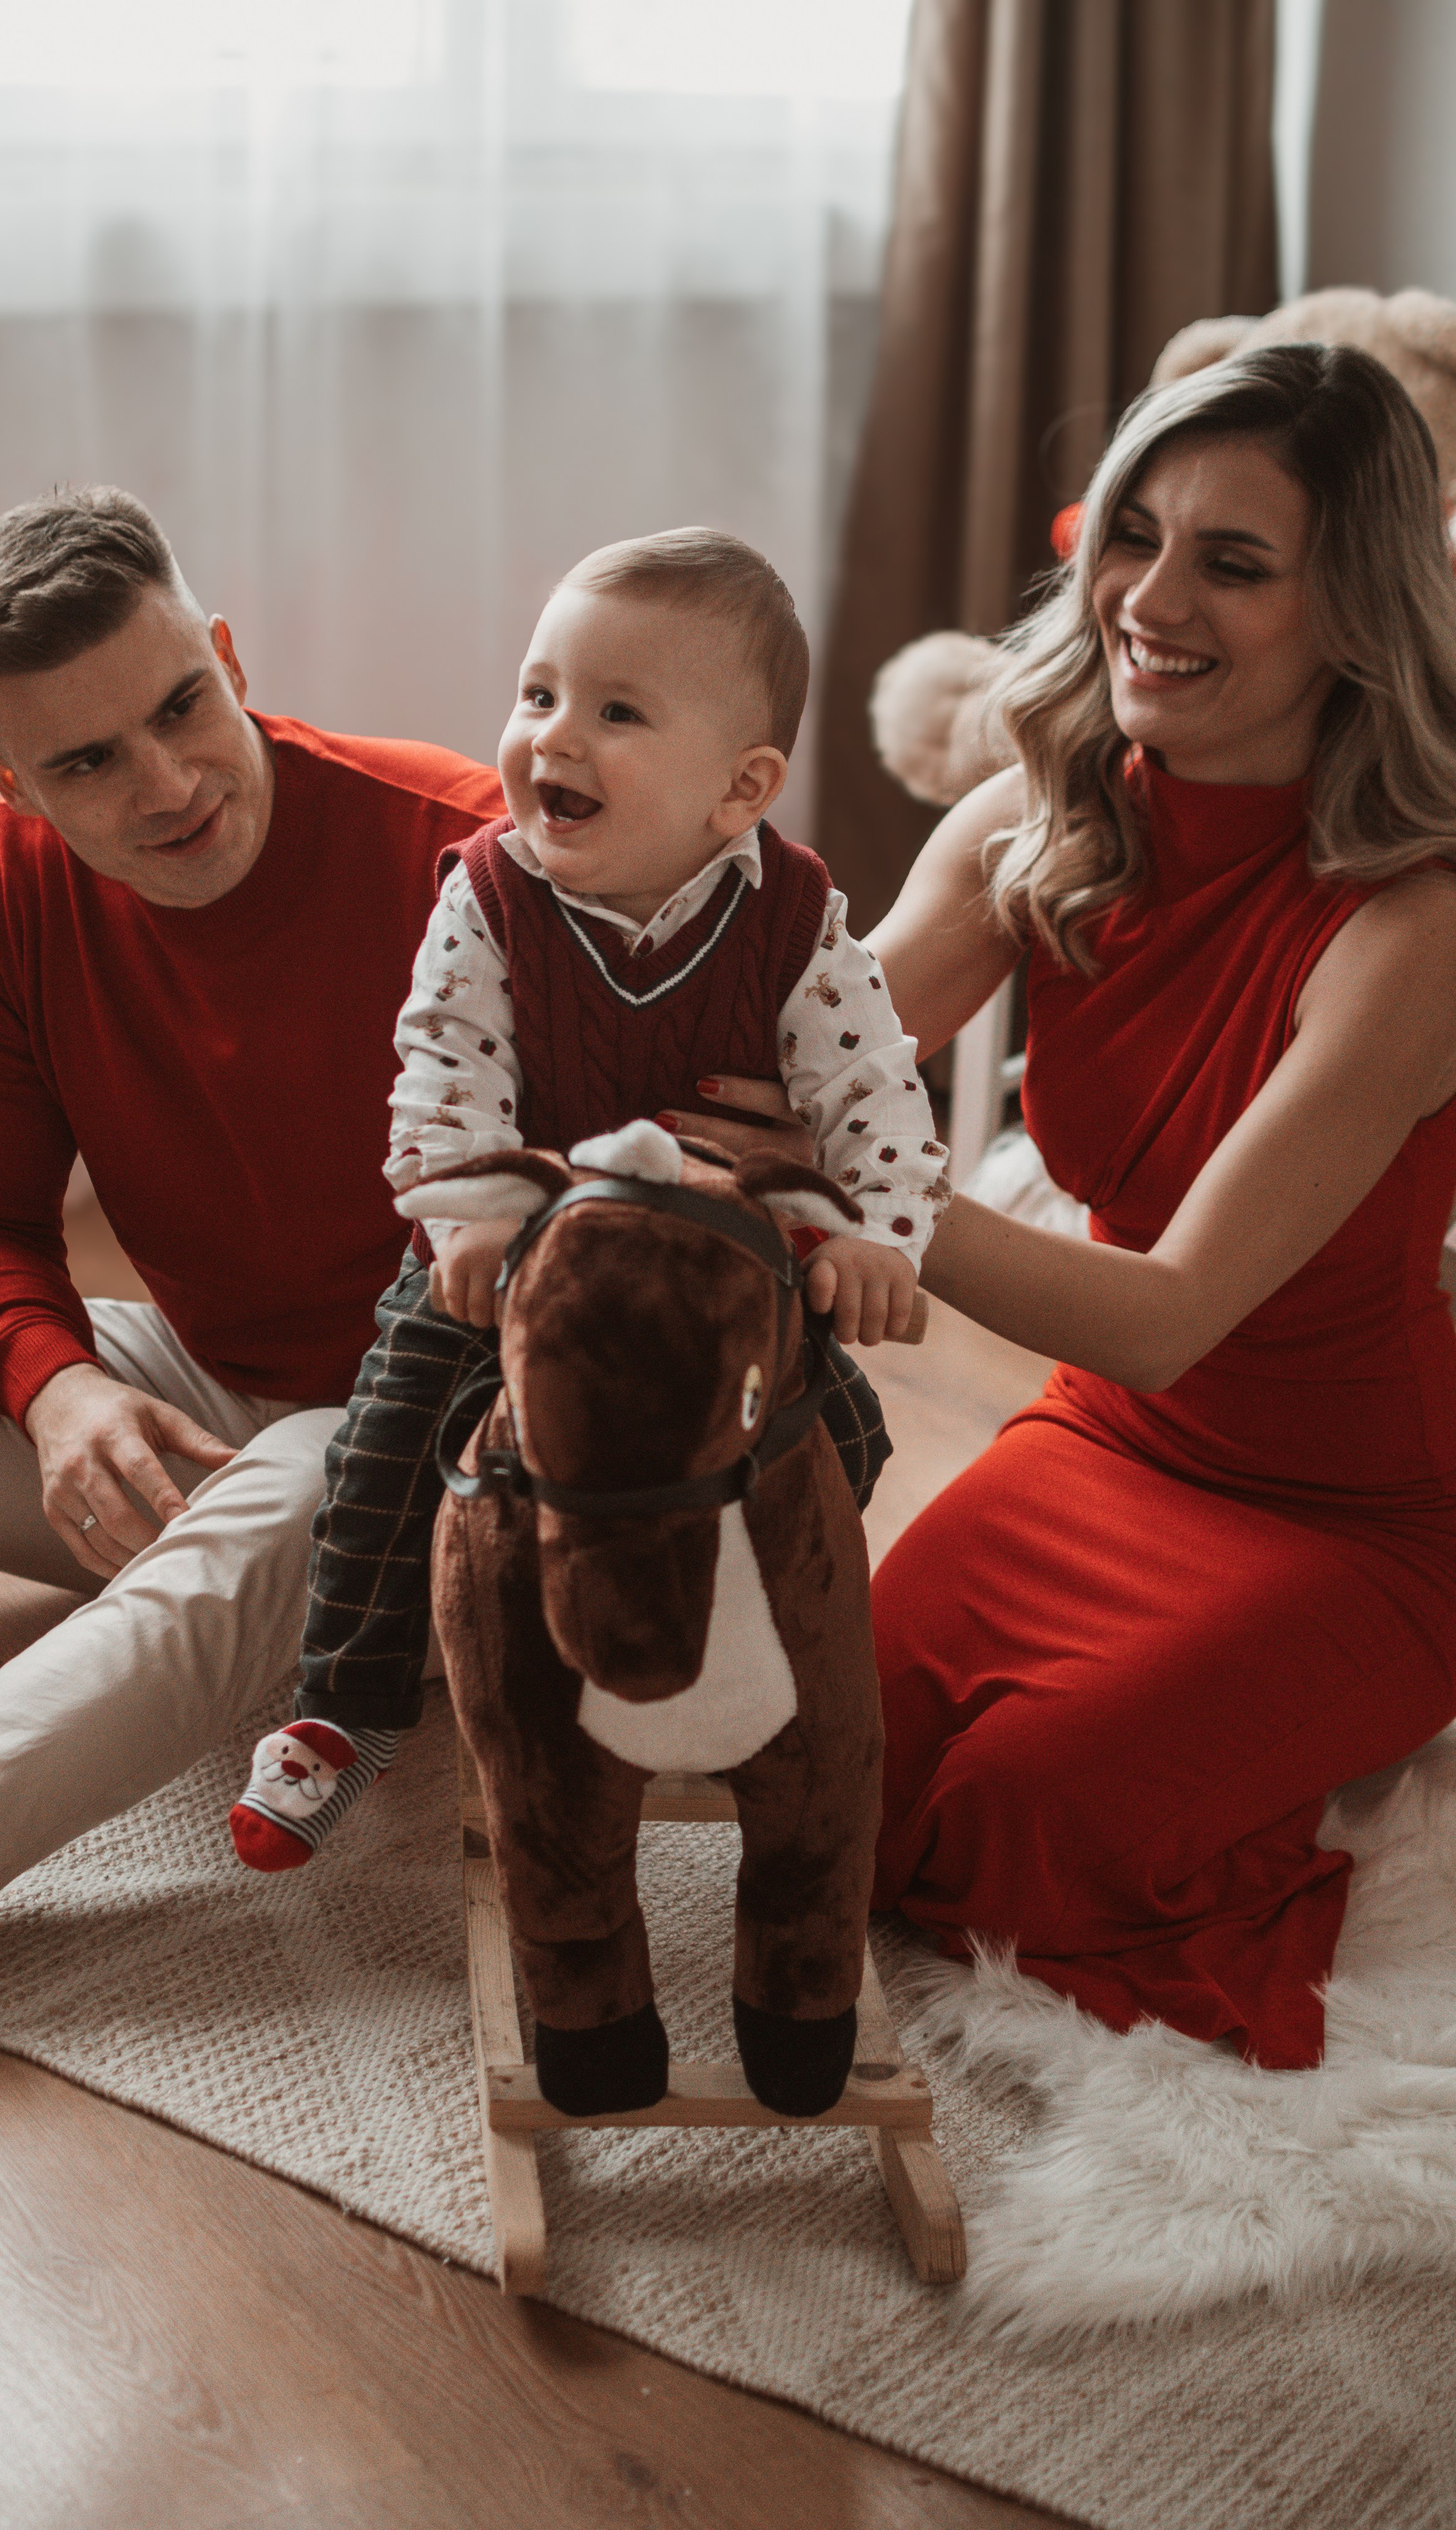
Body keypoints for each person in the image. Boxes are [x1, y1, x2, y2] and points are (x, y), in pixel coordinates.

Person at [671, 343, 1456, 2071]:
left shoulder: (1415, 927)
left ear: (1356, 614)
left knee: (1029, 1826)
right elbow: (808, 1060)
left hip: (1355, 1511)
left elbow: (1172, 1319)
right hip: (1104, 1442)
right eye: (1135, 536)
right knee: (826, 1771)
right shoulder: (1035, 818)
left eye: (1234, 565)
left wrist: (868, 1184)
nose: (1149, 601)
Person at [0, 485, 508, 1994]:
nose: (166, 783)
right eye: (88, 762)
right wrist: (62, 1392)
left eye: (183, 706)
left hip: (441, 1439)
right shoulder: (3, 882)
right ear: (13, 780)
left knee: (298, 1495)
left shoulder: (460, 850)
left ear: (228, 656)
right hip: (214, 1391)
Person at [229, 528, 948, 1868]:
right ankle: (348, 1699)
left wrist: (871, 1237)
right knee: (386, 1441)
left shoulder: (797, 921)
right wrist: (470, 1219)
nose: (552, 736)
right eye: (539, 693)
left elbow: (874, 1093)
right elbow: (444, 1068)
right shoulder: (488, 898)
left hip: (713, 1273)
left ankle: (744, 1658)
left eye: (615, 712)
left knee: (837, 1440)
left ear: (739, 789)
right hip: (520, 1250)